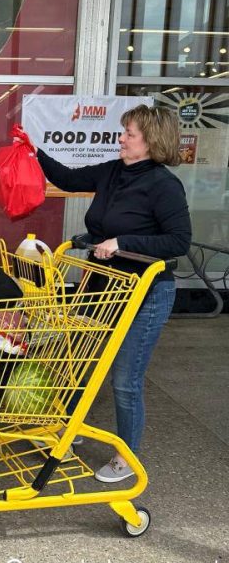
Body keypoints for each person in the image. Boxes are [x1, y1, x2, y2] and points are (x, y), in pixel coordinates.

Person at [35, 105, 191, 482]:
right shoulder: (113, 170)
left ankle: (126, 456)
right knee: (81, 363)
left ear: (152, 141)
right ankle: (66, 433)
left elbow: (179, 240)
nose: (120, 138)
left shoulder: (164, 185)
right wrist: (33, 150)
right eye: (123, 132)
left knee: (125, 379)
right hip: (104, 287)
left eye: (129, 134)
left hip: (145, 295)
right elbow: (68, 179)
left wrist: (122, 241)